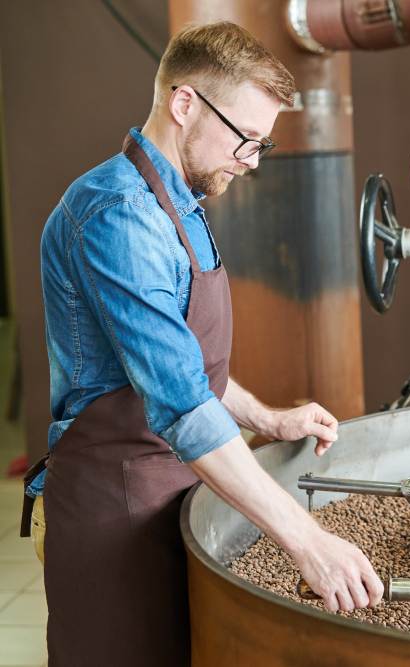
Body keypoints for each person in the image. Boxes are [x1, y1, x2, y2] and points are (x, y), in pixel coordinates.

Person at [22, 21, 383, 666]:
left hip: (167, 487)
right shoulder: (119, 214)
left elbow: (185, 363)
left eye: (260, 147)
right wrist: (307, 541)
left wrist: (266, 417)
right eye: (246, 139)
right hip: (113, 503)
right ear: (184, 103)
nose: (248, 162)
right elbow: (184, 404)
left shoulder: (180, 203)